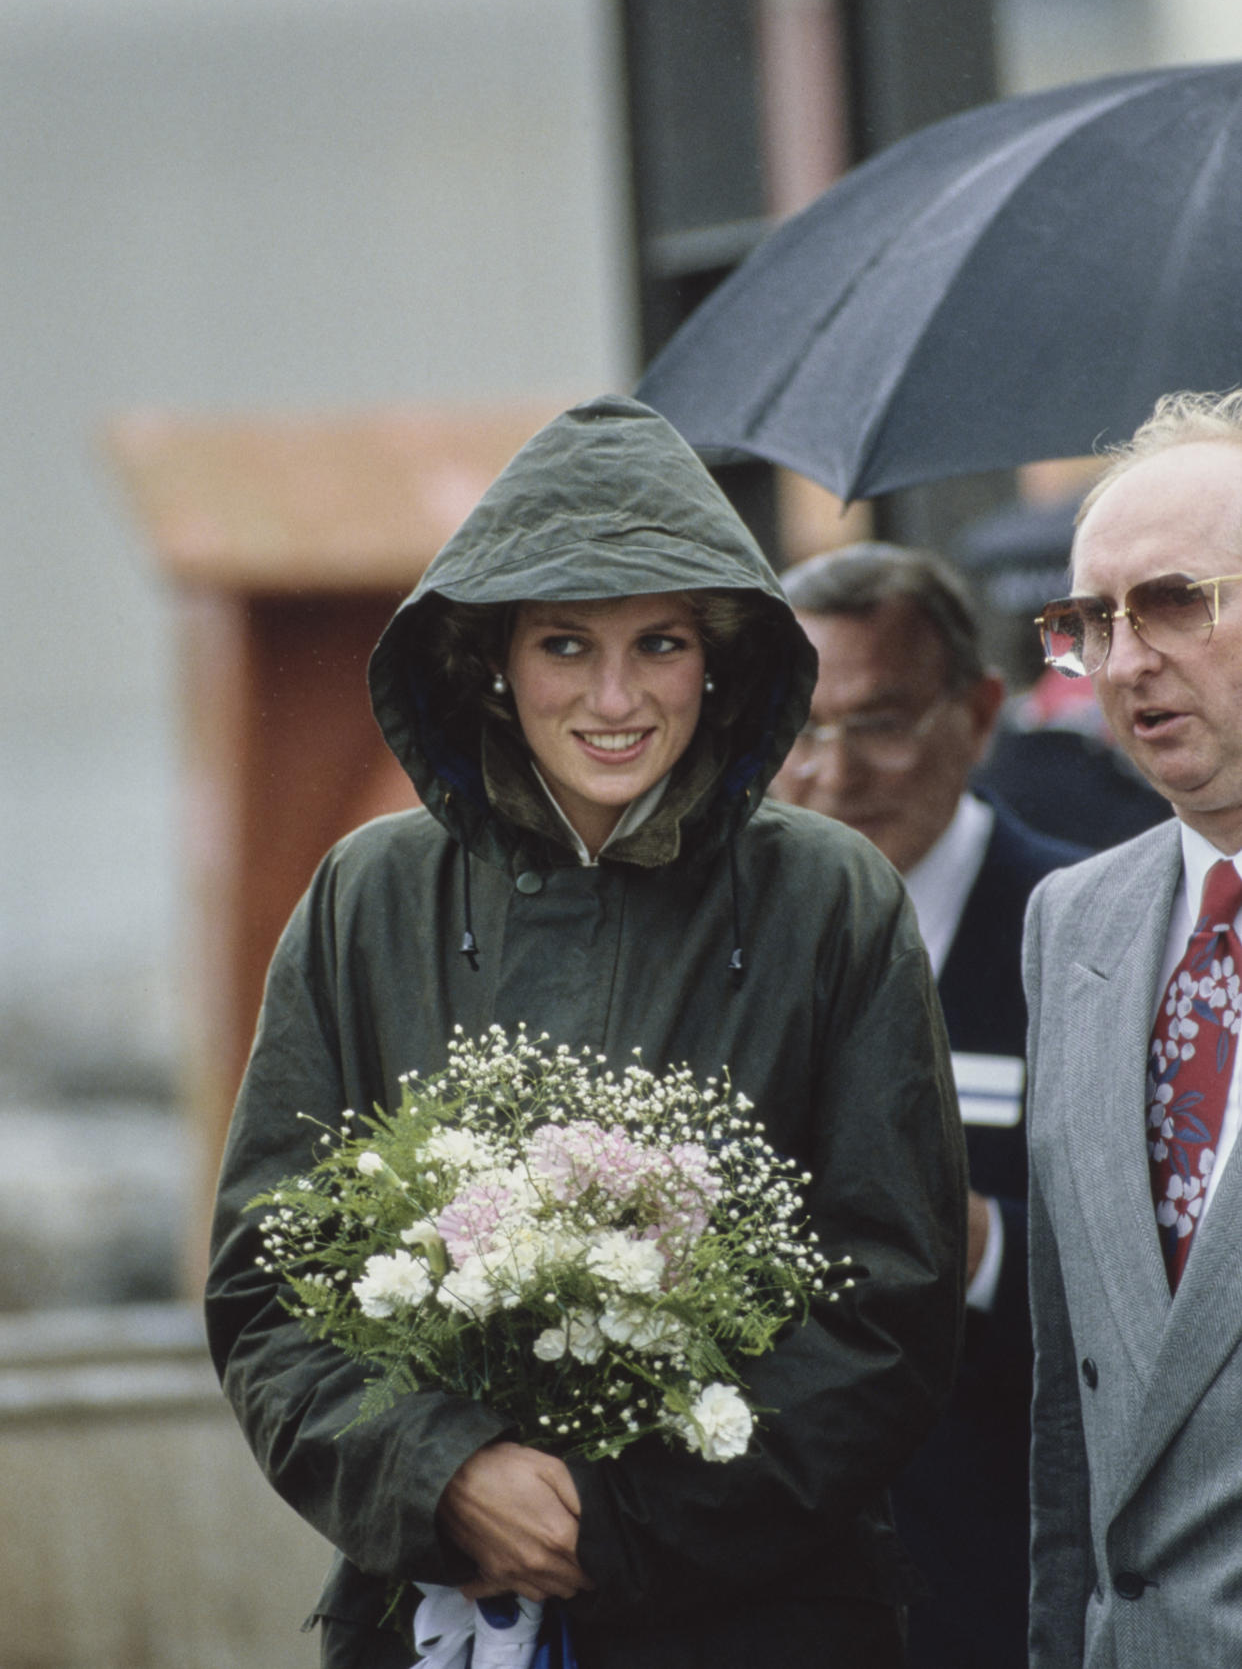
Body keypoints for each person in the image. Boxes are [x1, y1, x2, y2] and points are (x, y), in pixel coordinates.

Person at [205, 395, 967, 1669]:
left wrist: (612, 1525)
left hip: (762, 1619)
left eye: (658, 641)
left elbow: (890, 1298)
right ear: (491, 659)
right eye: (565, 643)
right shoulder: (368, 893)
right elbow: (269, 1283)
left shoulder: (832, 895)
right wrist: (446, 1476)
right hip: (428, 1610)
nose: (614, 697)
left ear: (718, 657)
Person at [769, 541, 1085, 1669]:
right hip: (764, 1589)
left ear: (981, 711)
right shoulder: (722, 940)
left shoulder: (1092, 931)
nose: (834, 773)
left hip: (1012, 1583)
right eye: (797, 729)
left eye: (882, 721)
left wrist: (986, 1244)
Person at [1024, 388, 1242, 1666]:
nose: (1121, 660)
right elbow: (1074, 1405)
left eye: (1170, 601)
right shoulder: (1076, 922)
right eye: (1086, 623)